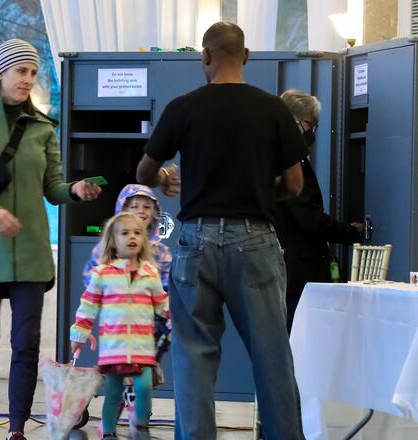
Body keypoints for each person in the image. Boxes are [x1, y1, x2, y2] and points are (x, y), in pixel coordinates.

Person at [136, 22, 307, 439]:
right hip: (256, 242)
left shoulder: (183, 107)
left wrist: (163, 180)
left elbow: (143, 170)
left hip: (196, 242)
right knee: (272, 359)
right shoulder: (273, 109)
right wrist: (258, 194)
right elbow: (295, 185)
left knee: (194, 358)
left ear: (205, 56)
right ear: (245, 56)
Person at [0, 38, 101, 440]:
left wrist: (75, 190)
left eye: (32, 72)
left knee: (26, 344)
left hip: (31, 254)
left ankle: (17, 429)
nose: (28, 79)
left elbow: (52, 187)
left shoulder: (43, 129)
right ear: (1, 73)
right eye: (20, 71)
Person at [70, 212, 168, 440]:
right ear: (114, 241)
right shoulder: (102, 274)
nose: (132, 237)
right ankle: (109, 432)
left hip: (142, 347)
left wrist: (177, 317)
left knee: (143, 387)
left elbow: (162, 303)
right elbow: (88, 305)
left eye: (137, 233)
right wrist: (79, 334)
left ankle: (140, 427)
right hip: (113, 347)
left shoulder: (150, 273)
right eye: (125, 233)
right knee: (113, 392)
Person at [274, 89, 363, 332]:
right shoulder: (289, 162)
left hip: (288, 268)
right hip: (297, 272)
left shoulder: (278, 156)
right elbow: (309, 219)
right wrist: (350, 233)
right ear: (294, 123)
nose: (312, 132)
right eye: (310, 125)